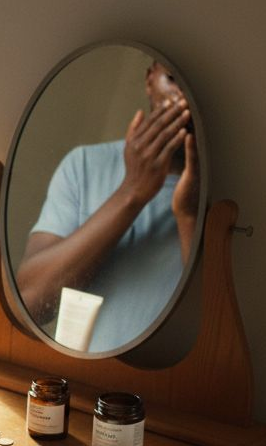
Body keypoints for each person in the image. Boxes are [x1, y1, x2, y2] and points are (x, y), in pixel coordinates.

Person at [15, 61, 199, 353]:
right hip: (81, 383)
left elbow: (208, 335)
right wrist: (132, 192)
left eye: (198, 87)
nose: (186, 100)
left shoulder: (227, 194)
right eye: (174, 80)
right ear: (150, 80)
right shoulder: (84, 166)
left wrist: (189, 217)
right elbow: (29, 304)